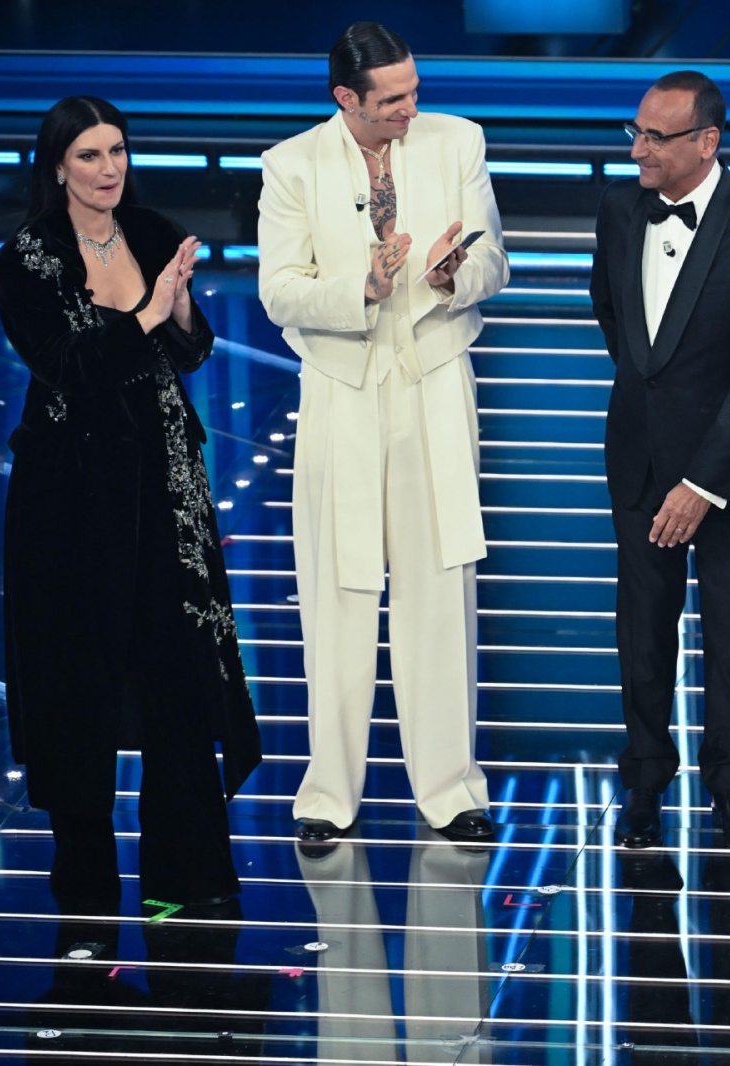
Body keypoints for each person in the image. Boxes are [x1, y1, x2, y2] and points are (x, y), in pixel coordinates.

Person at [0, 96, 261, 911]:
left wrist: (177, 308)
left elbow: (192, 348)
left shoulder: (149, 230)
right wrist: (147, 314)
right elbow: (72, 366)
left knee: (176, 670)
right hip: (66, 499)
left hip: (161, 481)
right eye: (90, 157)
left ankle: (186, 880)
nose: (110, 170)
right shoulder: (22, 261)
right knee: (78, 678)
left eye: (117, 152)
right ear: (57, 167)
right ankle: (85, 891)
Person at [258, 21, 509, 846]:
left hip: (434, 382)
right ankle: (329, 792)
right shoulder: (291, 165)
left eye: (413, 90)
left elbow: (493, 263)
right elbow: (280, 292)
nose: (411, 107)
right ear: (346, 100)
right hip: (342, 391)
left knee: (441, 592)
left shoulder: (457, 142)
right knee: (339, 592)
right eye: (393, 98)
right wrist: (359, 286)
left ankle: (450, 789)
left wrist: (451, 275)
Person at [589, 70, 730, 850]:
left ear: (707, 142)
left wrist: (703, 481)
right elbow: (610, 313)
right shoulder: (618, 208)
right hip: (640, 459)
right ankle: (644, 785)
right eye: (635, 132)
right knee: (641, 632)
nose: (638, 149)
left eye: (656, 137)